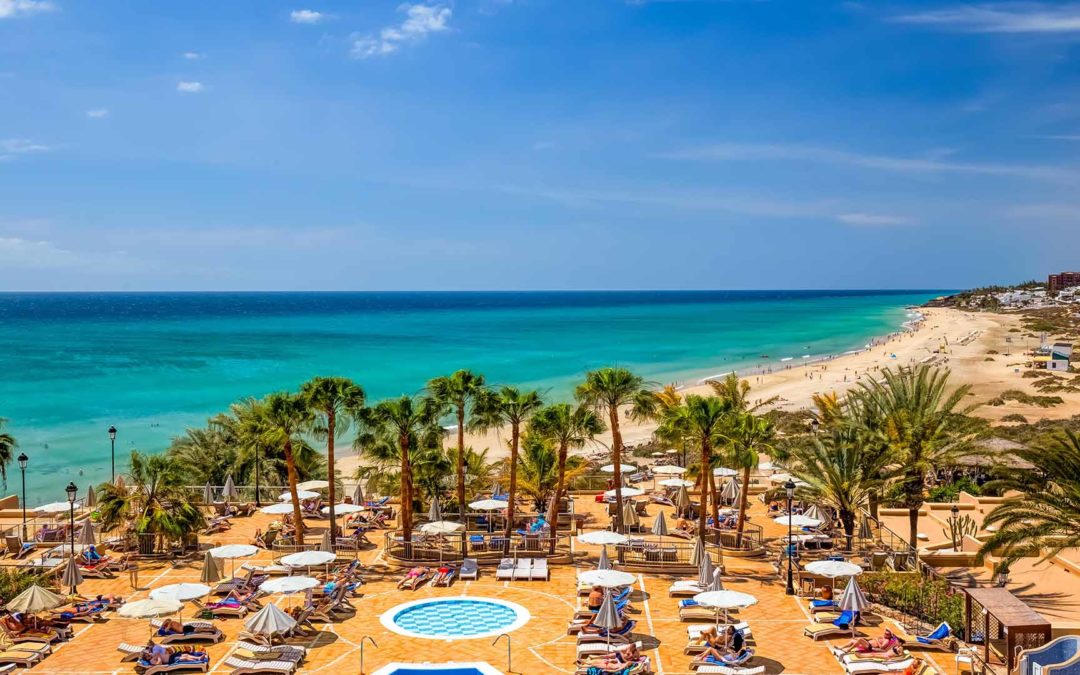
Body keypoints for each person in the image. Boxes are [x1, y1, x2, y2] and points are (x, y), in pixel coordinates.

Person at [835, 629, 900, 655]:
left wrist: (877, 640)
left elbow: (882, 648)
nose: (885, 634)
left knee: (860, 639)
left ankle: (848, 650)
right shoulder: (883, 637)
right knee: (853, 640)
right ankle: (841, 647)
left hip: (870, 646)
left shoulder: (887, 640)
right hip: (868, 642)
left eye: (887, 634)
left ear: (889, 636)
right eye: (885, 633)